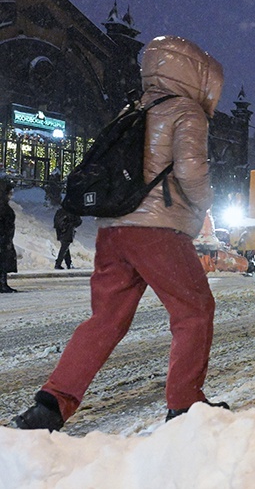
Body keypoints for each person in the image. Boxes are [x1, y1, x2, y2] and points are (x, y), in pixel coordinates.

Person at [14, 35, 228, 432]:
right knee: (194, 311)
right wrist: (201, 207)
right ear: (196, 74)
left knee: (106, 320)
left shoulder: (134, 107)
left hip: (113, 231)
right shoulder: (186, 112)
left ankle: (51, 403)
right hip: (157, 231)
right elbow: (192, 172)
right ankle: (184, 404)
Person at [0, 178, 17, 293]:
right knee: (2, 261)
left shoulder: (4, 206)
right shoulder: (4, 208)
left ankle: (3, 283)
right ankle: (2, 283)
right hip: (3, 239)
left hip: (5, 238)